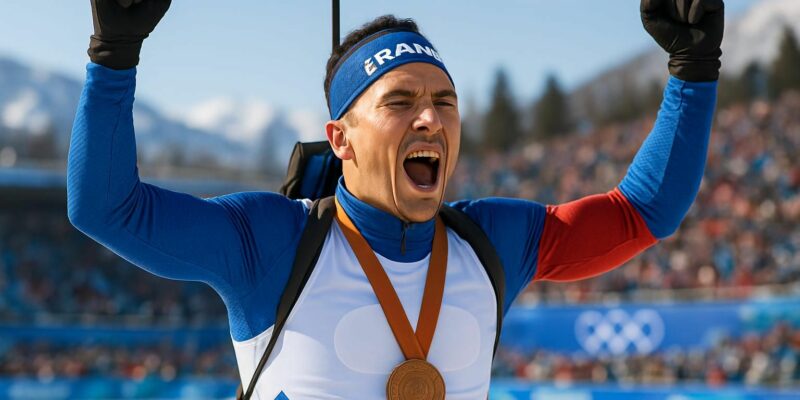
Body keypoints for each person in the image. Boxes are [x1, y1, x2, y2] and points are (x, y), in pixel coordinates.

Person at [67, 0, 724, 398]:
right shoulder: (271, 242)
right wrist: (113, 55)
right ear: (340, 139)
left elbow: (643, 213)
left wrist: (693, 71)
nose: (431, 120)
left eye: (444, 102)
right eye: (401, 102)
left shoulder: (492, 242)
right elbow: (106, 208)